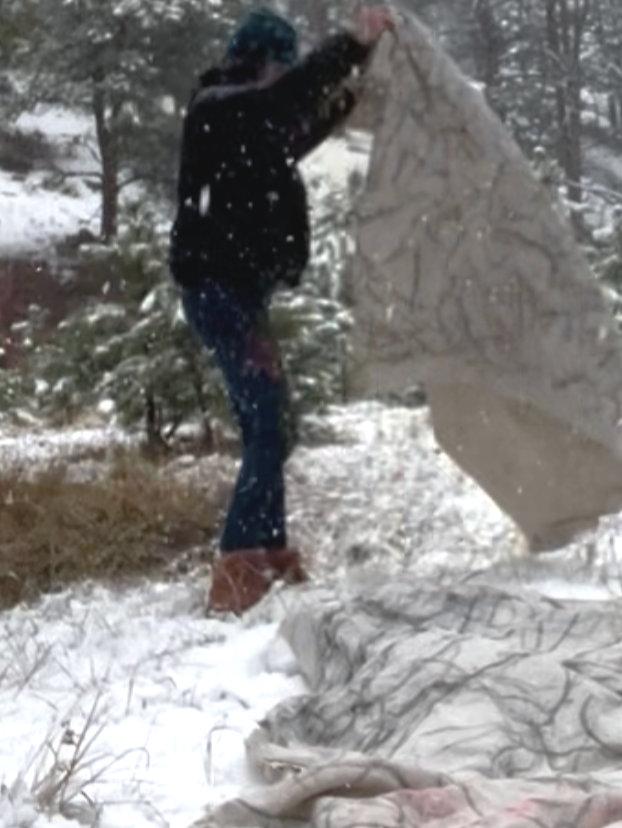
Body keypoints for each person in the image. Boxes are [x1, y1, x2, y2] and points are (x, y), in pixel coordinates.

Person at [169, 6, 395, 615]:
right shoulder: (218, 106)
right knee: (266, 424)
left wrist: (356, 90)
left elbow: (301, 122)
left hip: (239, 294)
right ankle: (238, 572)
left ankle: (268, 556)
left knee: (276, 425)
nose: (286, 76)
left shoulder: (251, 118)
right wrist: (356, 42)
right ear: (260, 61)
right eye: (282, 65)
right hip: (217, 292)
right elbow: (285, 103)